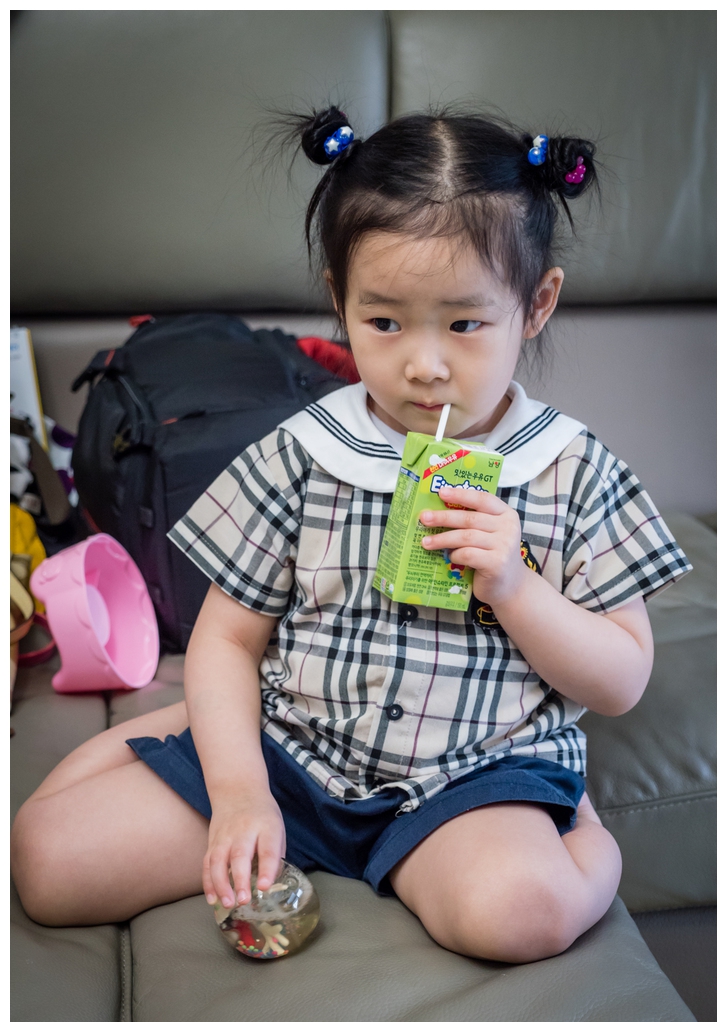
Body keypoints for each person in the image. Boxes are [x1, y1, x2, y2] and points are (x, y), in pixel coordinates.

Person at [11, 107, 691, 964]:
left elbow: (622, 679)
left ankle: (584, 838)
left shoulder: (570, 468)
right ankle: (211, 724)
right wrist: (240, 791)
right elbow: (227, 639)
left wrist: (516, 588)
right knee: (49, 862)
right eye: (384, 322)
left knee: (521, 915)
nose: (423, 365)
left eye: (464, 324)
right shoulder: (304, 452)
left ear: (535, 305)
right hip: (294, 751)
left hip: (469, 778)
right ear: (339, 300)